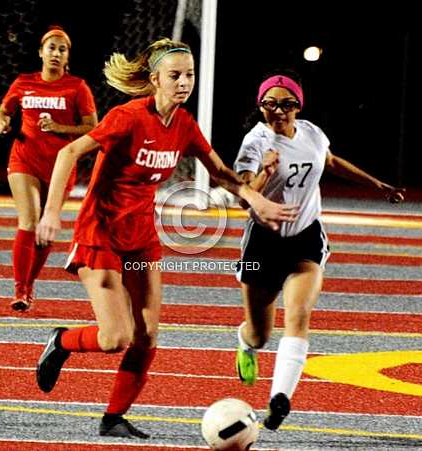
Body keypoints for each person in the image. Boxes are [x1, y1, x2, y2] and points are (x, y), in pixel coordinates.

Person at [34, 38, 299, 439]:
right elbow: (69, 153)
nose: (184, 82)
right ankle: (63, 341)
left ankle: (114, 418)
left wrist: (254, 197)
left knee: (149, 335)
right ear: (154, 79)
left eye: (189, 75)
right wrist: (52, 212)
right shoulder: (126, 117)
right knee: (115, 338)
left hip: (141, 238)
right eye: (174, 75)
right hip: (99, 233)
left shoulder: (185, 125)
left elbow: (223, 174)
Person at [233, 69, 405, 431]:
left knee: (299, 314)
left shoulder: (312, 132)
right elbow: (245, 199)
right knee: (260, 334)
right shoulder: (254, 142)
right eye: (270, 104)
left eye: (287, 104)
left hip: (305, 239)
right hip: (264, 244)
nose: (278, 111)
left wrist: (376, 184)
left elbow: (330, 161)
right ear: (260, 107)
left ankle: (280, 399)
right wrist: (264, 173)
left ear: (299, 106)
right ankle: (244, 342)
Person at [0, 25, 98, 311]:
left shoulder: (77, 87)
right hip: (24, 159)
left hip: (59, 167)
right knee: (28, 221)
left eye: (62, 49)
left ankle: (30, 284)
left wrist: (59, 127)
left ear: (67, 57)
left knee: (44, 231)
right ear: (41, 53)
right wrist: (1, 122)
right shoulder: (23, 82)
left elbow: (93, 127)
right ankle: (20, 289)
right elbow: (4, 110)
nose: (55, 53)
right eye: (51, 47)